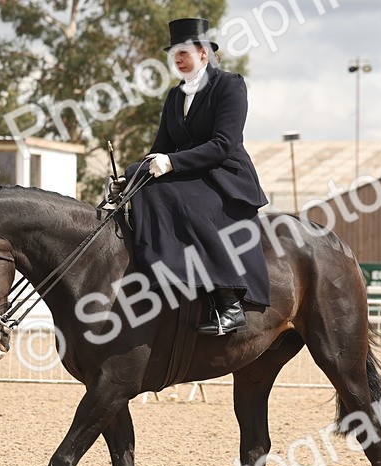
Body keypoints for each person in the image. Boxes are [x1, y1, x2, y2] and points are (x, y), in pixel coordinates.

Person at [114, 17, 270, 336]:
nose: (177, 59)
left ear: (204, 54)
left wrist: (171, 163)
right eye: (174, 54)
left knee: (180, 201)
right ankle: (163, 275)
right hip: (189, 173)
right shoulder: (175, 96)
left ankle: (229, 302)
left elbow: (223, 144)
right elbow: (160, 148)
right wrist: (132, 179)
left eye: (183, 52)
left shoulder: (230, 85)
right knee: (139, 182)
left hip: (225, 175)